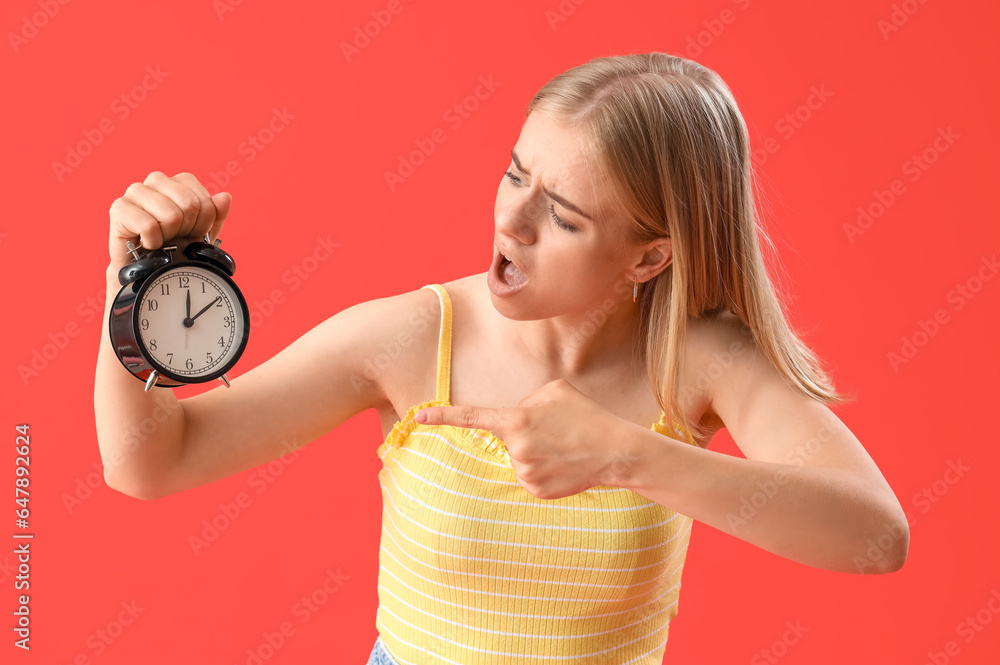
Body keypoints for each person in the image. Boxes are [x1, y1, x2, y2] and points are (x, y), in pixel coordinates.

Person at [95, 52, 909, 665]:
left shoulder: (697, 362)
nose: (510, 222)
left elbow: (875, 535)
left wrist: (627, 455)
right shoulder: (414, 337)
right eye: (514, 174)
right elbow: (154, 462)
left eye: (560, 214)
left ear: (649, 258)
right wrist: (127, 290)